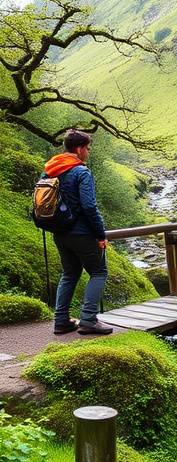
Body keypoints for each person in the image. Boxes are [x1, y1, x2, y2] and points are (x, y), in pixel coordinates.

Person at [44, 130, 113, 335]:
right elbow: (89, 207)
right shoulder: (81, 172)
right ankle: (89, 319)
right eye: (88, 148)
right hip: (82, 233)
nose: (88, 152)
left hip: (59, 232)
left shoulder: (49, 170)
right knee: (99, 272)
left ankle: (61, 321)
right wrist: (101, 235)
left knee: (69, 273)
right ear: (80, 149)